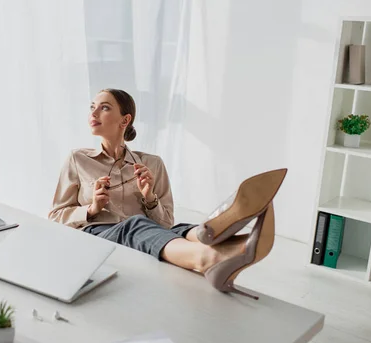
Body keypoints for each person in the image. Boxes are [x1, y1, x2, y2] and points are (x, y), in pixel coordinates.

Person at [48, 88, 287, 299]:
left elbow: (164, 224)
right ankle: (208, 258)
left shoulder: (152, 164)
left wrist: (149, 196)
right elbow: (56, 215)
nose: (94, 113)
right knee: (135, 225)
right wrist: (92, 209)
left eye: (104, 108)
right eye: (92, 107)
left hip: (144, 234)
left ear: (125, 120)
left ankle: (227, 240)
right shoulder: (78, 159)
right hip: (98, 236)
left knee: (178, 229)